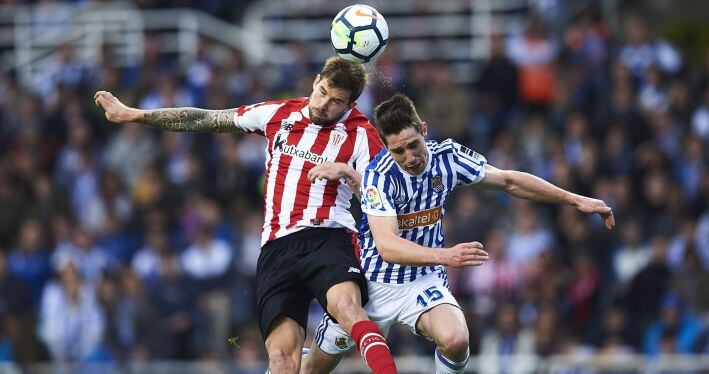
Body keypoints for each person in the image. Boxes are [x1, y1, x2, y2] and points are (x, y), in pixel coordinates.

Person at [94, 56, 397, 374]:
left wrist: (350, 174)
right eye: (322, 92)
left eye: (336, 102)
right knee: (281, 362)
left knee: (349, 312)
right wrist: (134, 114)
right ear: (315, 80)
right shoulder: (279, 113)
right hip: (277, 249)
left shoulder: (362, 134)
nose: (324, 104)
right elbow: (204, 120)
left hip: (329, 237)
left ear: (351, 104)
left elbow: (387, 199)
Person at [303, 93, 615, 373]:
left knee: (455, 339)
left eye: (413, 145)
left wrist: (575, 199)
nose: (410, 157)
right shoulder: (379, 176)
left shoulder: (448, 157)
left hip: (422, 281)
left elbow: (508, 180)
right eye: (399, 151)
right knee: (312, 370)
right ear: (385, 147)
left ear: (424, 130)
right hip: (372, 285)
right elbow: (387, 246)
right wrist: (446, 255)